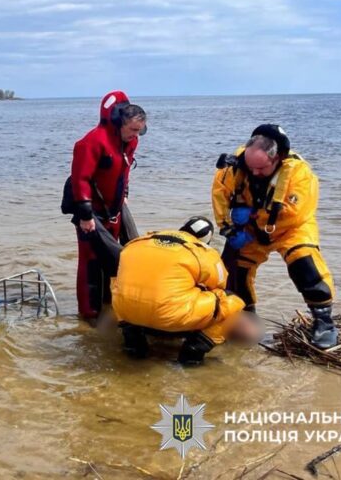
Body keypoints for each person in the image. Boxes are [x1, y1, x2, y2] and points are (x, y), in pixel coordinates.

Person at [212, 124, 338, 349]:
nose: (255, 173)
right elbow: (220, 194)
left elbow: (295, 213)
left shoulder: (299, 174)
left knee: (305, 266)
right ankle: (246, 316)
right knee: (237, 272)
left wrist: (252, 214)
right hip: (250, 230)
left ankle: (324, 321)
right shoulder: (237, 165)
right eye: (251, 168)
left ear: (277, 158)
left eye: (261, 168)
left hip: (290, 228)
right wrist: (228, 226)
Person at [111, 216, 254, 364]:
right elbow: (220, 284)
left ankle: (132, 340)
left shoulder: (139, 242)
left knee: (120, 284)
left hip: (125, 309)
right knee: (232, 301)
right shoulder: (203, 251)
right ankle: (195, 349)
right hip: (168, 315)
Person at [68, 90, 146, 320]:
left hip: (115, 210)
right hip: (91, 212)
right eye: (132, 130)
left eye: (138, 131)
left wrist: (125, 194)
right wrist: (84, 215)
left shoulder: (129, 142)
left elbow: (124, 171)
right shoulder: (91, 142)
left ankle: (109, 306)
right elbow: (80, 179)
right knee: (91, 262)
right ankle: (89, 314)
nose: (135, 135)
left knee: (115, 260)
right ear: (118, 121)